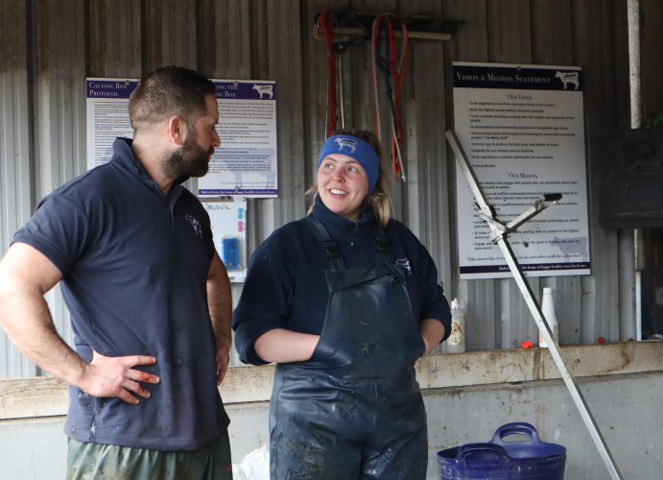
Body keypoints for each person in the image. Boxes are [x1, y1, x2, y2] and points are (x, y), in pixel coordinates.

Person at [0, 66, 234, 479]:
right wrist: (83, 373)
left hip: (206, 436)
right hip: (122, 444)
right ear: (177, 129)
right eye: (209, 127)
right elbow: (13, 285)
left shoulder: (189, 209)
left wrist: (220, 335)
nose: (216, 140)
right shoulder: (87, 201)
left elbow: (214, 274)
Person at [232, 128, 452, 480]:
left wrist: (416, 344)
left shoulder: (401, 241)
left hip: (396, 422)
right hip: (312, 427)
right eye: (329, 165)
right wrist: (327, 346)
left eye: (352, 168)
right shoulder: (287, 245)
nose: (336, 177)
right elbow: (252, 338)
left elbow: (436, 310)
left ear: (372, 182)